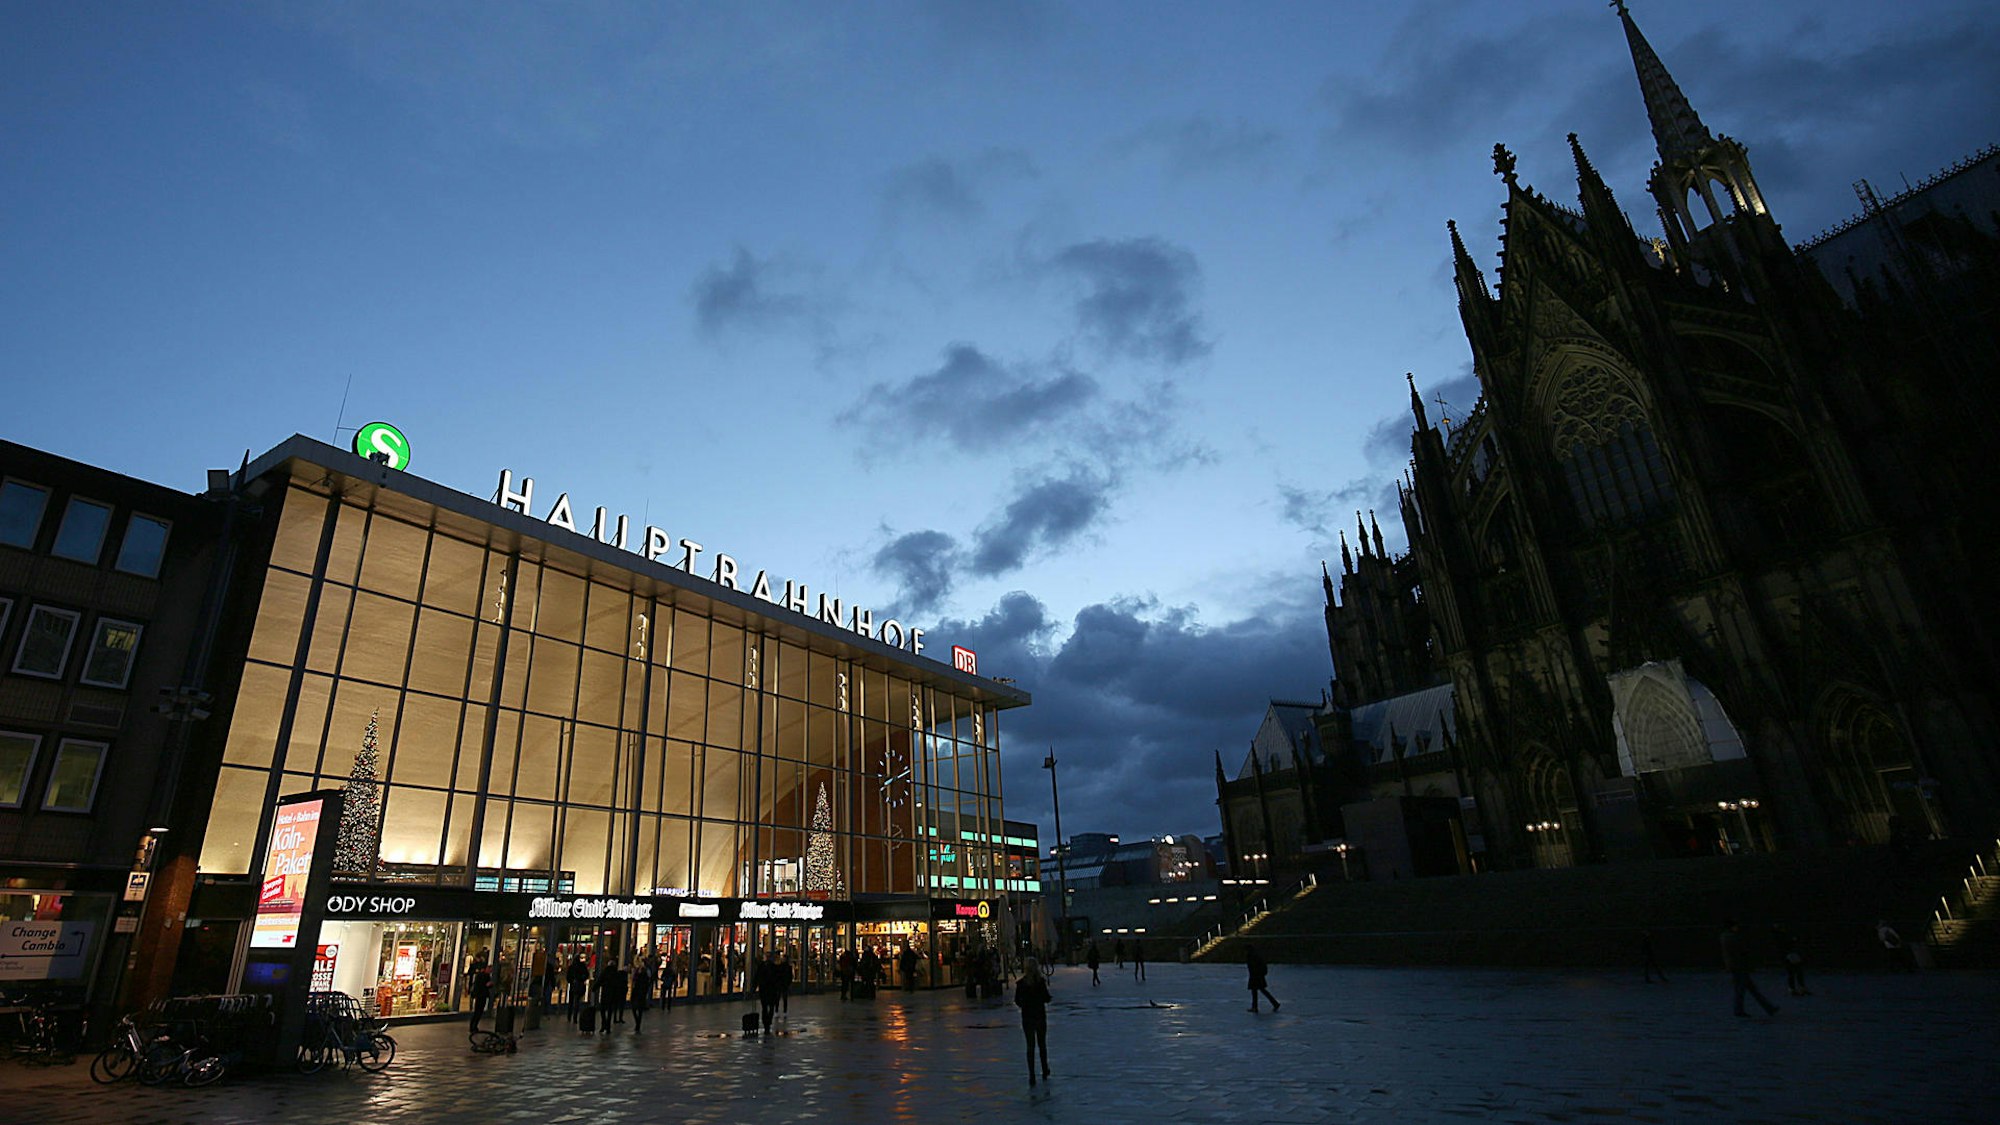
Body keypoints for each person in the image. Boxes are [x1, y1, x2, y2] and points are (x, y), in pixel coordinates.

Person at [1720, 920, 1778, 1018]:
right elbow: (1741, 950)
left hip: (1736, 966)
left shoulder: (1726, 937)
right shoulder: (1732, 938)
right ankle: (1765, 1008)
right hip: (1739, 966)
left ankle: (1768, 1008)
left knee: (1746, 989)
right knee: (1744, 990)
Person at [1015, 958, 1053, 1087]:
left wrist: (1024, 1005)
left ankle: (1032, 1074)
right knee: (1042, 1044)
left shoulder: (1021, 984)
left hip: (1027, 1017)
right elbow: (1046, 998)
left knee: (1030, 1046)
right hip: (1039, 1016)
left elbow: (1017, 1000)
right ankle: (1044, 1069)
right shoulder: (1040, 983)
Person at [1772, 925, 1810, 996]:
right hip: (1788, 955)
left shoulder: (1783, 935)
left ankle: (1799, 989)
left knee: (1796, 972)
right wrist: (1793, 941)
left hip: (1790, 954)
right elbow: (1784, 945)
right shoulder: (1780, 936)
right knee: (1793, 972)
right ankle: (1795, 989)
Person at [755, 953, 784, 1034]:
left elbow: (757, 977)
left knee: (765, 1007)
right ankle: (768, 1021)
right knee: (770, 1007)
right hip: (771, 990)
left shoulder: (762, 967)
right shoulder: (775, 968)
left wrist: (754, 987)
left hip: (765, 989)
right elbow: (779, 979)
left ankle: (766, 1022)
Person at [1246, 944, 1279, 1012]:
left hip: (1255, 976)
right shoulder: (1256, 955)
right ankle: (1274, 1003)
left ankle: (1255, 1007)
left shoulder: (1252, 956)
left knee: (1256, 991)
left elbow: (1253, 967)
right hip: (1258, 976)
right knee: (1260, 990)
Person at [597, 960, 627, 1034]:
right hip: (613, 994)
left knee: (603, 1010)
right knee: (610, 1011)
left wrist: (594, 988)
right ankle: (608, 1026)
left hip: (605, 993)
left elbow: (600, 980)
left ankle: (603, 1024)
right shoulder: (616, 974)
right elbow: (619, 984)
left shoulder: (605, 972)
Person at [467, 954, 494, 1032]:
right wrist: (487, 985)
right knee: (478, 1011)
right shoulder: (482, 975)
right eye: (490, 969)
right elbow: (480, 985)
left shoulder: (485, 975)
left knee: (478, 1011)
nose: (490, 971)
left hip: (482, 995)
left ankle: (474, 1026)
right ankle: (473, 1026)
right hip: (480, 995)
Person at [630, 958, 653, 1032]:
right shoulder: (644, 974)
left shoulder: (642, 974)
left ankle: (638, 1023)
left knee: (637, 1009)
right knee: (637, 1009)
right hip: (640, 993)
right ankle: (638, 1023)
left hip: (639, 993)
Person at [565, 954, 589, 1023]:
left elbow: (568, 977)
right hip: (579, 986)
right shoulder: (582, 966)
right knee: (577, 1002)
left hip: (573, 986)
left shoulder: (572, 967)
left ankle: (569, 1016)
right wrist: (582, 979)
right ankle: (575, 1017)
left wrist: (571, 981)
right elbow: (586, 975)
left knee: (571, 1001)